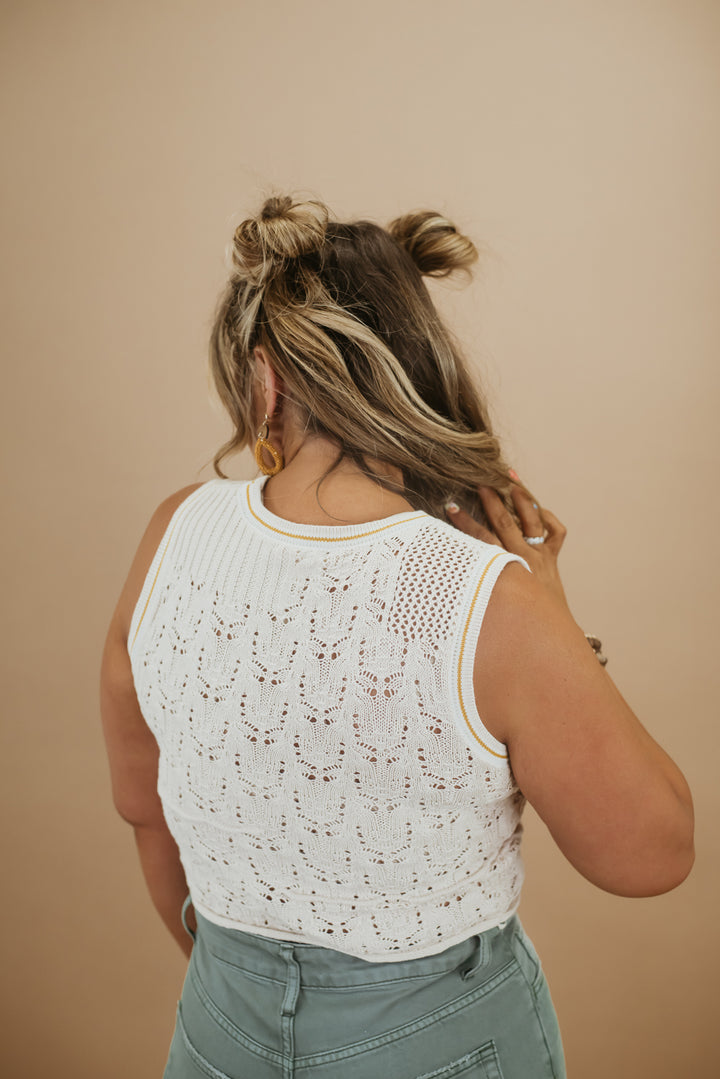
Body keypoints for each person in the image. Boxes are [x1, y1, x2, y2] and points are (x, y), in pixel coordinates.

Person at [100, 194, 695, 1079]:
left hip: (219, 1027)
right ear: (419, 365)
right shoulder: (489, 598)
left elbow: (143, 806)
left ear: (265, 380)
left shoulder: (172, 532)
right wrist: (555, 614)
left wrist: (254, 994)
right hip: (443, 1044)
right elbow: (653, 852)